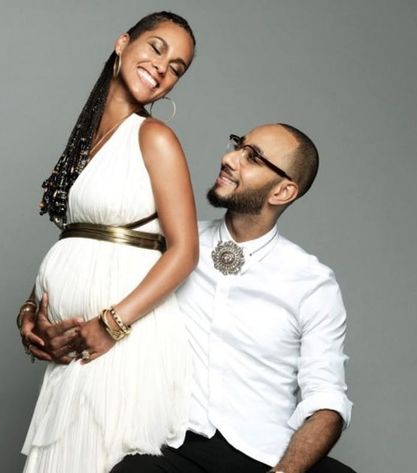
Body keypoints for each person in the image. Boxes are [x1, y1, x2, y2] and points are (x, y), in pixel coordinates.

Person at [30, 123, 355, 472]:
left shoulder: (311, 283)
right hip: (173, 445)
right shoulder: (171, 247)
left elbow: (327, 400)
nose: (229, 158)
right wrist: (29, 313)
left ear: (283, 191)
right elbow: (85, 264)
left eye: (252, 157)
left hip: (265, 454)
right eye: (238, 145)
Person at [16, 12, 198, 473]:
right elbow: (76, 240)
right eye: (156, 48)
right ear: (122, 43)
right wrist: (30, 311)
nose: (162, 68)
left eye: (176, 67)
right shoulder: (86, 139)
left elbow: (185, 251)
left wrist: (111, 325)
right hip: (73, 354)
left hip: (123, 345)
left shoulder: (155, 137)